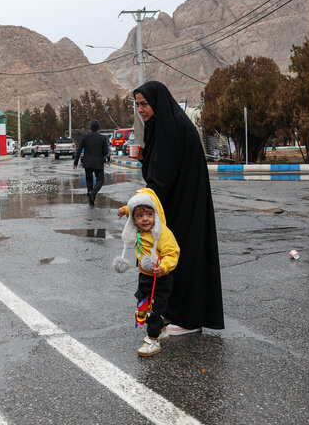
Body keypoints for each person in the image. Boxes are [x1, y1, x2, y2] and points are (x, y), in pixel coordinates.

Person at [129, 80, 224, 334]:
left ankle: (189, 319)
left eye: (145, 103)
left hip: (185, 205)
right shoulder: (162, 124)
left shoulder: (172, 127)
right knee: (173, 256)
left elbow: (163, 176)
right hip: (177, 203)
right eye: (138, 104)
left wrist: (140, 206)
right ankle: (176, 312)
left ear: (157, 102)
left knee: (183, 255)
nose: (141, 109)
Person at [114, 188, 179, 357]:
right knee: (142, 303)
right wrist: (124, 210)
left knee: (152, 310)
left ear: (155, 214)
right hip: (144, 276)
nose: (145, 219)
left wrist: (163, 267)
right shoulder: (140, 230)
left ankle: (153, 340)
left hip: (160, 278)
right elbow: (134, 206)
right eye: (140, 216)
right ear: (133, 220)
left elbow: (172, 253)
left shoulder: (162, 233)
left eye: (149, 215)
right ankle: (162, 331)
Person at [73, 119, 109, 206]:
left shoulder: (85, 137)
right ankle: (93, 193)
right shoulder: (102, 138)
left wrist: (75, 162)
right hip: (98, 163)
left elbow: (79, 149)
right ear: (98, 128)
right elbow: (105, 151)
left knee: (89, 182)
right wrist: (101, 156)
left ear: (91, 127)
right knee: (100, 180)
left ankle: (91, 201)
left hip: (87, 163)